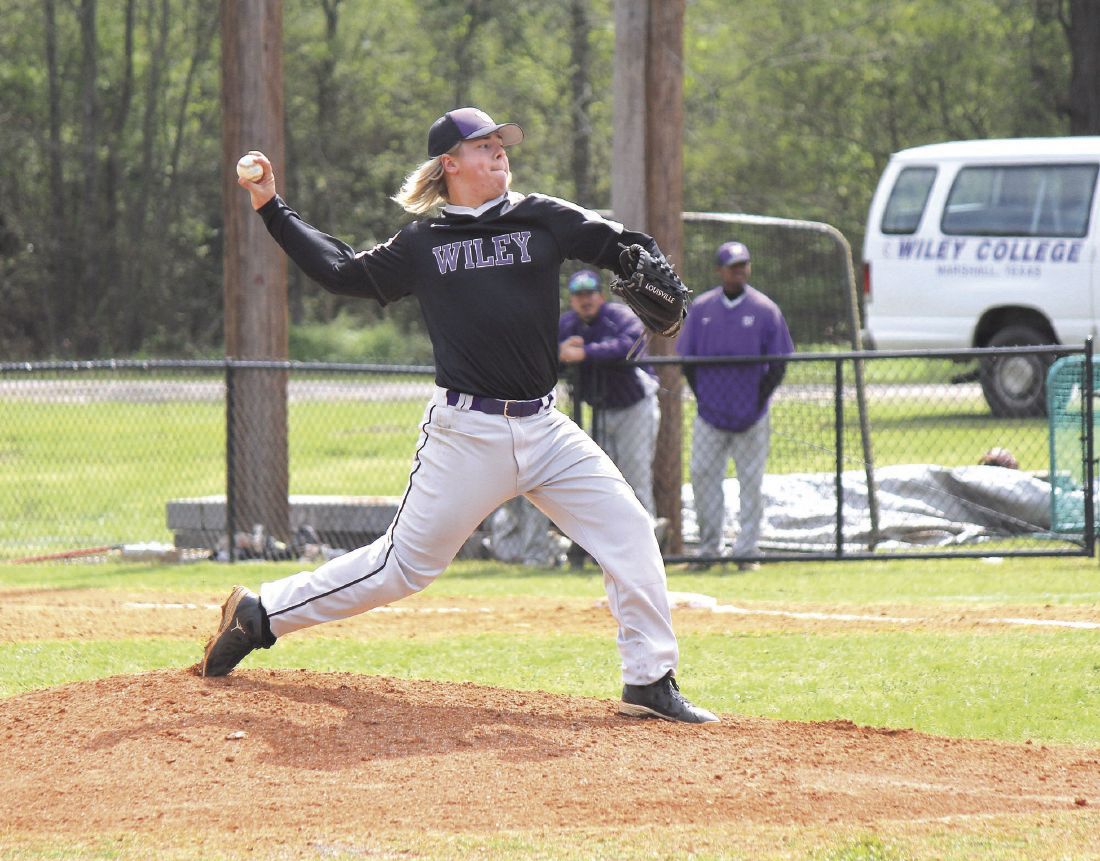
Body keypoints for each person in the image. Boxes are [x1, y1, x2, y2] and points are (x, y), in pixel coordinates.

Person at [200, 107, 717, 724]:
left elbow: (616, 241)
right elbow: (342, 272)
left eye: (503, 143)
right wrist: (271, 206)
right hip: (466, 435)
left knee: (629, 533)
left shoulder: (541, 217)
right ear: (450, 163)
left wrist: (643, 259)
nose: (500, 151)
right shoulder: (424, 243)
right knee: (401, 569)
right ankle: (261, 614)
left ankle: (649, 681)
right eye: (485, 144)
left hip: (546, 430)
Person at [676, 240, 794, 572]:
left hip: (752, 415)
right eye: (732, 266)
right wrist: (704, 398)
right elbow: (688, 361)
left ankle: (746, 551)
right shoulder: (702, 309)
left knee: (751, 482)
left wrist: (758, 400)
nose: (738, 271)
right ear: (719, 271)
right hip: (710, 414)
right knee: (702, 476)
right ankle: (710, 549)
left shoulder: (764, 309)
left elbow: (779, 364)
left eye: (743, 265)